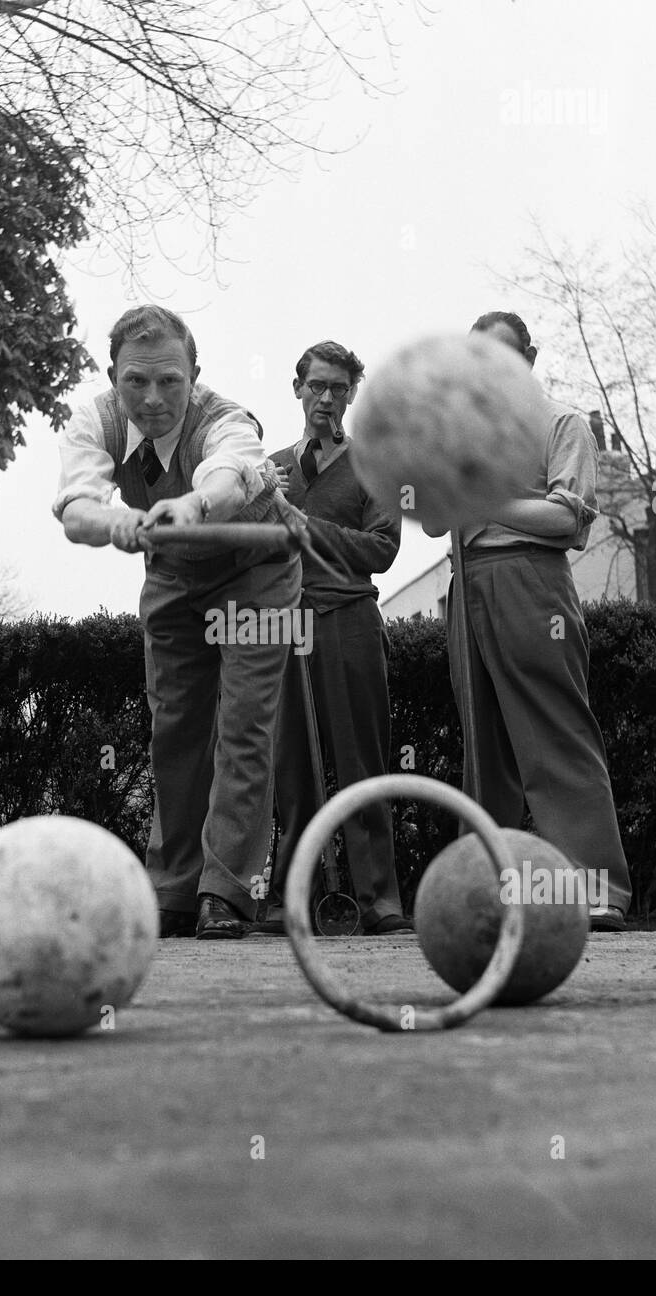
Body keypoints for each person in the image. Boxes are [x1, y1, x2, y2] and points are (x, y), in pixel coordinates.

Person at [53, 305, 302, 939]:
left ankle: (228, 890)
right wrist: (120, 524)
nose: (153, 398)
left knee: (243, 726)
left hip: (257, 570)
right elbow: (77, 508)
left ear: (196, 374)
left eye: (170, 381)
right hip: (170, 573)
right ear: (113, 377)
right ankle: (173, 889)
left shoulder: (228, 420)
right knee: (174, 729)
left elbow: (227, 476)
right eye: (135, 381)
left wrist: (190, 504)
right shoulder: (94, 419)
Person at [440, 312, 631, 932]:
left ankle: (598, 889)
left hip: (531, 579)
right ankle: (489, 893)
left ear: (530, 355)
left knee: (554, 731)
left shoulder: (562, 423)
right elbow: (439, 521)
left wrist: (486, 501)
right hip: (465, 581)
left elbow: (568, 522)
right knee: (484, 745)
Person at [258, 340, 407, 936]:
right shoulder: (268, 470)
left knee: (360, 762)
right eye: (316, 386)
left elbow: (383, 549)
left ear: (351, 395)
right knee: (291, 766)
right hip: (285, 627)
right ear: (298, 389)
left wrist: (307, 526)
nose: (326, 398)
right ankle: (291, 898)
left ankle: (378, 900)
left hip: (349, 623)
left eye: (339, 389)